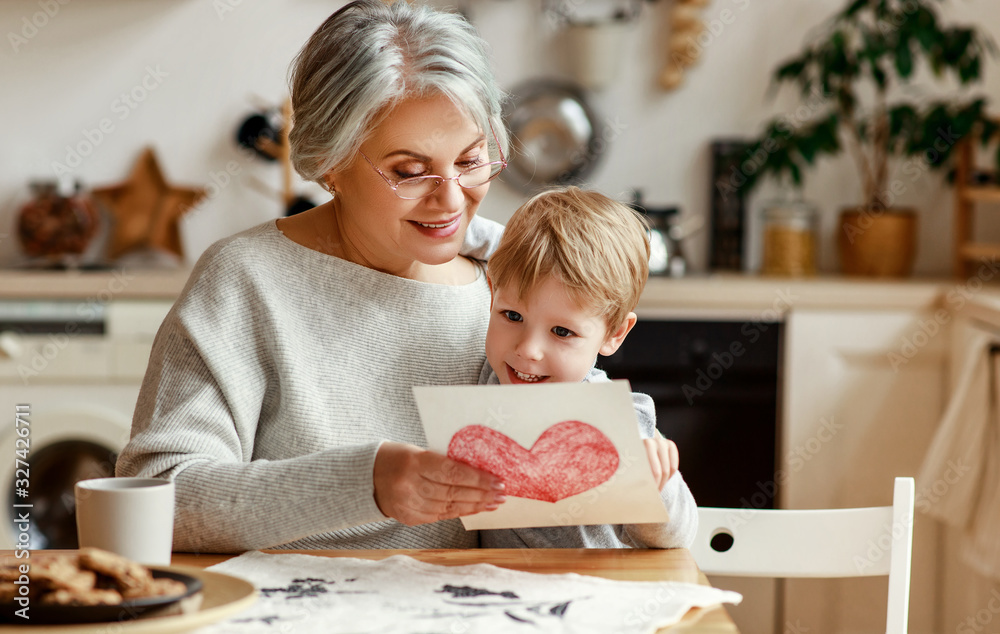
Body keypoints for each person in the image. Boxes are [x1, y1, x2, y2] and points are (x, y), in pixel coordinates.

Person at [116, 0, 514, 553]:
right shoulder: (247, 280)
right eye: (409, 171)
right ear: (331, 161)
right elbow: (161, 496)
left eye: (470, 161)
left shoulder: (511, 287)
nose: (451, 198)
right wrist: (362, 485)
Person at [475, 187, 697, 548]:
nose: (527, 350)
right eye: (512, 315)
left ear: (614, 334)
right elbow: (470, 235)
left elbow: (680, 536)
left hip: (598, 593)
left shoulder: (614, 416)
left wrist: (657, 483)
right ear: (491, 295)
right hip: (500, 595)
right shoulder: (485, 384)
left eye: (562, 332)